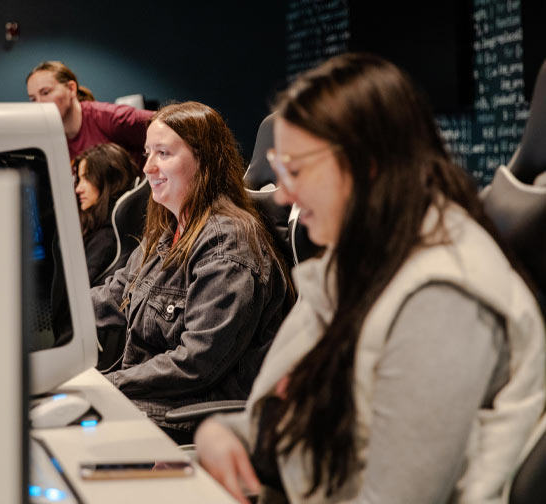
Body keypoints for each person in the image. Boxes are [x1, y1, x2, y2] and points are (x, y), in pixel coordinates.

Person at [194, 53, 546, 504]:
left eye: (295, 170)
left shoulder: (441, 300)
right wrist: (221, 433)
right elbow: (305, 416)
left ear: (367, 165)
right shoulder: (364, 259)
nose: (282, 194)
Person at [90, 101, 294, 444]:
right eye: (147, 153)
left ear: (203, 160)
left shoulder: (229, 244)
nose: (149, 167)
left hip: (192, 416)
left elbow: (196, 362)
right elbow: (113, 296)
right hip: (151, 403)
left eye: (163, 153)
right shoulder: (168, 231)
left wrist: (105, 385)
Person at [26, 61, 153, 169]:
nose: (39, 103)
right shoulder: (49, 139)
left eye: (46, 92)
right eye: (33, 99)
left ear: (71, 89)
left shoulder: (108, 117)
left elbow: (168, 122)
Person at [73, 142, 138, 285]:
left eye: (87, 178)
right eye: (79, 179)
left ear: (109, 180)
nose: (78, 189)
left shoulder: (105, 237)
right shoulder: (105, 225)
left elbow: (77, 292)